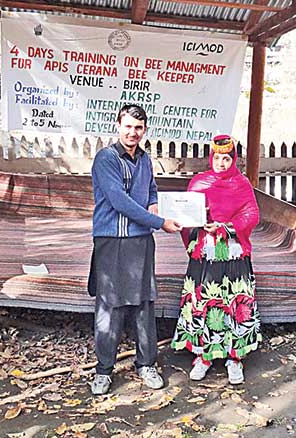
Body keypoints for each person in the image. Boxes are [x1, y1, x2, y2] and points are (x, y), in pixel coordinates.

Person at [88, 104, 181, 395]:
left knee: (144, 303)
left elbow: (151, 189)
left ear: (145, 130)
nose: (133, 133)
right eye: (128, 126)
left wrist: (153, 205)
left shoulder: (145, 159)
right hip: (112, 239)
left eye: (138, 128)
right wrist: (160, 222)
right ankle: (104, 370)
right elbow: (119, 201)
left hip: (141, 239)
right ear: (118, 126)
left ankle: (146, 365)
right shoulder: (106, 158)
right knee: (110, 305)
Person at [171, 134, 261, 385]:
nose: (221, 163)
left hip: (232, 251)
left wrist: (226, 227)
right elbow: (187, 213)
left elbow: (251, 214)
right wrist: (197, 221)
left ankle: (235, 358)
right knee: (205, 301)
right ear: (211, 158)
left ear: (234, 160)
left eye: (227, 159)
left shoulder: (242, 184)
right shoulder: (199, 182)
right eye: (218, 158)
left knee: (234, 302)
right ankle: (205, 355)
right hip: (206, 251)